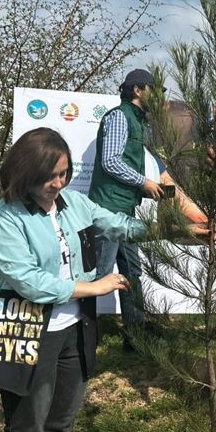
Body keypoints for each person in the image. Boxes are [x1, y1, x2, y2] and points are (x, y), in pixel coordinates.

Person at [0, 128, 145, 432]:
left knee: (60, 428)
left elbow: (118, 224)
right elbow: (27, 280)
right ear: (25, 173)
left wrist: (178, 226)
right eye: (50, 176)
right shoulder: (4, 217)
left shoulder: (74, 204)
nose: (59, 183)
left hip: (76, 330)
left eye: (65, 173)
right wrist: (93, 287)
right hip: (28, 331)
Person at [88, 68, 163, 351]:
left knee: (132, 273)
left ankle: (136, 338)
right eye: (155, 90)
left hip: (125, 210)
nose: (159, 96)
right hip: (108, 210)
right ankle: (82, 335)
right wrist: (143, 182)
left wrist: (146, 187)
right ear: (138, 90)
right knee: (99, 274)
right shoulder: (119, 116)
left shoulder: (139, 122)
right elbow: (110, 161)